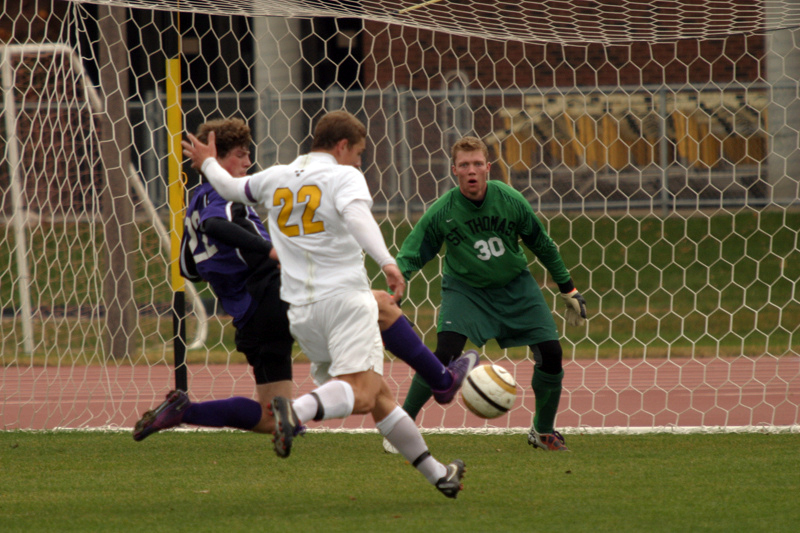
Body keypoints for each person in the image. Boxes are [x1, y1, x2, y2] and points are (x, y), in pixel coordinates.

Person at [182, 110, 477, 498]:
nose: (360, 161)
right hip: (342, 302)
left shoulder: (277, 175)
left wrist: (206, 162)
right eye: (358, 153)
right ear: (341, 146)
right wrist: (386, 261)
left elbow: (230, 188)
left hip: (302, 313)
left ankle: (439, 473)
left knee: (380, 394)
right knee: (365, 389)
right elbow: (358, 218)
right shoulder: (343, 176)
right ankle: (299, 411)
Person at [389, 135, 587, 452]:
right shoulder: (442, 211)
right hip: (466, 291)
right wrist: (393, 295)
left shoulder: (510, 200)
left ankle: (543, 431)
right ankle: (399, 429)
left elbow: (543, 245)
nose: (472, 170)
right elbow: (411, 255)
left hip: (516, 286)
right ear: (454, 170)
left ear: (488, 168)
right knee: (444, 355)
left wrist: (568, 288)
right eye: (465, 165)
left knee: (551, 354)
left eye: (478, 164)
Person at [133, 118, 294, 441]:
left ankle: (185, 411)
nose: (248, 162)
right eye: (239, 153)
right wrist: (269, 249)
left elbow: (188, 268)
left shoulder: (195, 200)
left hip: (246, 313)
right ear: (217, 159)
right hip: (271, 296)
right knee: (366, 316)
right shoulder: (226, 197)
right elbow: (216, 225)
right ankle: (418, 381)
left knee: (272, 416)